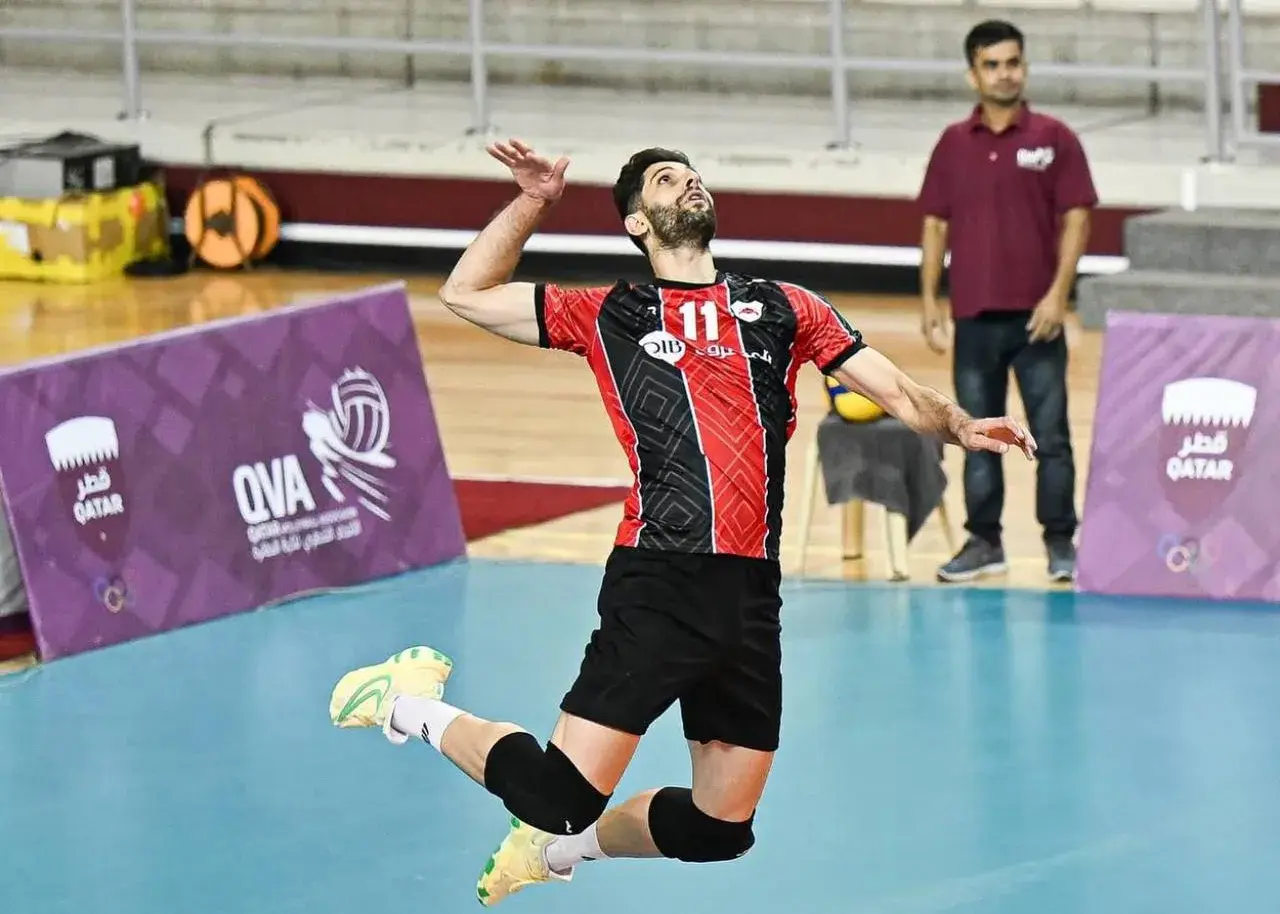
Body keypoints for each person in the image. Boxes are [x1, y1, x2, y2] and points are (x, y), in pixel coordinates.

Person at [328, 139, 1037, 906]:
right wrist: (533, 201)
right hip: (660, 578)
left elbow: (894, 390)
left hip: (749, 593)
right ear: (637, 221)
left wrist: (961, 425)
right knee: (558, 791)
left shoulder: (785, 307)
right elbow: (466, 292)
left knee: (719, 828)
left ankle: (558, 853)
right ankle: (407, 702)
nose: (689, 183)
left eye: (694, 175)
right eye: (667, 180)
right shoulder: (607, 313)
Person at [918, 19, 1097, 585]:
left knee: (1052, 437)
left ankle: (1061, 542)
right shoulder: (952, 143)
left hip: (1038, 319)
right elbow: (935, 225)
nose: (1004, 73)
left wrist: (1058, 297)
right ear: (973, 74)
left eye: (1013, 62)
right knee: (977, 434)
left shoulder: (1055, 138)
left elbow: (1078, 218)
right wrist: (929, 299)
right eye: (992, 65)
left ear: (1024, 67)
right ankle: (984, 542)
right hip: (973, 317)